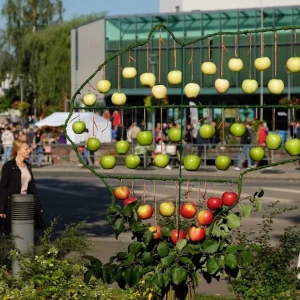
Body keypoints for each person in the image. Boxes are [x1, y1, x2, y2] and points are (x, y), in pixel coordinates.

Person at [0, 140, 45, 234]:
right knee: (13, 233)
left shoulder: (27, 166)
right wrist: (2, 208)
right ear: (18, 151)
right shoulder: (9, 166)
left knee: (26, 232)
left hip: (26, 204)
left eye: (29, 148)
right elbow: (3, 188)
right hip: (13, 204)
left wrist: (38, 206)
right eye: (26, 149)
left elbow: (32, 188)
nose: (29, 151)